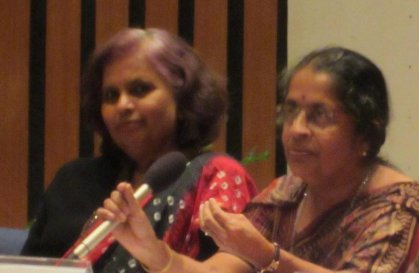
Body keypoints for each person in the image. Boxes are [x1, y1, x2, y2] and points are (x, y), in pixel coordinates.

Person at [96, 46, 419, 273]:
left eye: (320, 115)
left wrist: (269, 257)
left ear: (366, 133)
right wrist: (154, 252)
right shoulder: (285, 196)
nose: (297, 130)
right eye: (291, 112)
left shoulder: (403, 212)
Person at [21, 28, 258, 273]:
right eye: (111, 95)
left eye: (139, 89)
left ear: (182, 97)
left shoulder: (216, 177)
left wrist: (156, 255)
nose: (122, 105)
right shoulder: (72, 182)